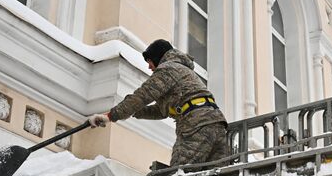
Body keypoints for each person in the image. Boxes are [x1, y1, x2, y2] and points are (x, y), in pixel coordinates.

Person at [87, 39, 228, 168]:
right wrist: (135, 112)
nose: (149, 67)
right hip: (217, 124)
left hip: (196, 126)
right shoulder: (183, 71)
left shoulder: (168, 68)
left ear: (157, 57)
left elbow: (142, 96)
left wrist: (110, 116)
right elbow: (161, 111)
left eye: (149, 61)